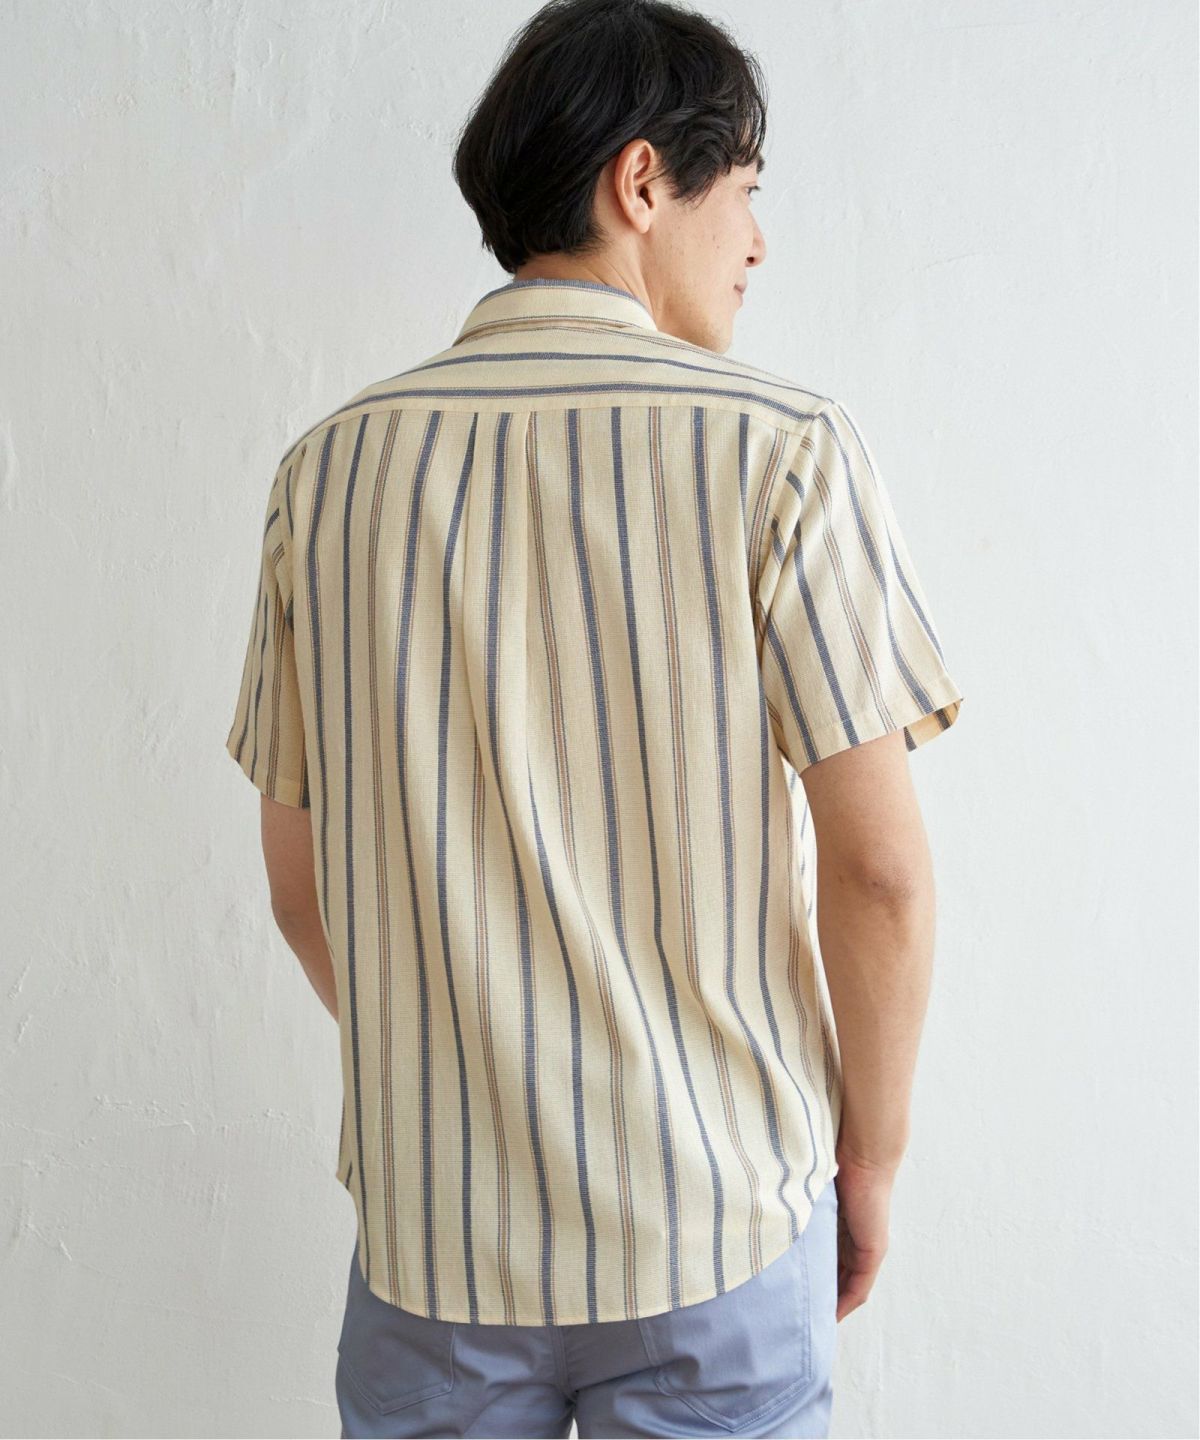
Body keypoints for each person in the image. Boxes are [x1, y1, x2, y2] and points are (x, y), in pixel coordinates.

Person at [223, 1, 964, 1434]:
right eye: (743, 190)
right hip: (713, 1226)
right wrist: (869, 1160)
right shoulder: (780, 451)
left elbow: (302, 890)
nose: (758, 241)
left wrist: (466, 1063)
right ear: (641, 183)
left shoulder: (327, 475)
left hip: (434, 1244)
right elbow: (880, 877)